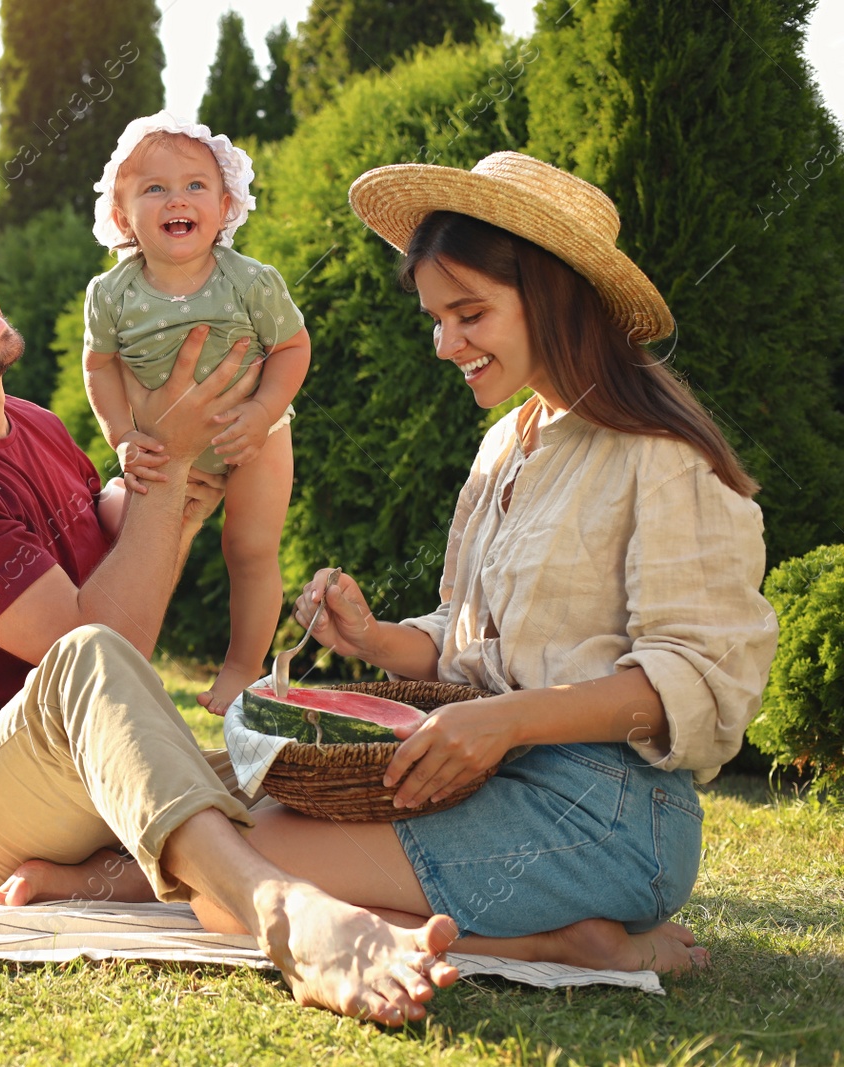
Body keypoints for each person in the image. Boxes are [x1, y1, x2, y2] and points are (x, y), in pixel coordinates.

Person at [0, 219, 460, 1025]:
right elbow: (101, 640)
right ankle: (285, 918)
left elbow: (120, 545)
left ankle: (557, 937)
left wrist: (188, 460)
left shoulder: (38, 427)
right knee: (86, 656)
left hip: (91, 772)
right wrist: (169, 461)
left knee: (293, 772)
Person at [188, 151, 778, 969]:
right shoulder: (507, 443)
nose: (444, 343)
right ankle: (564, 945)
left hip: (609, 814)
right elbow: (465, 636)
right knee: (237, 853)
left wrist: (505, 722)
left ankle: (576, 940)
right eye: (437, 317)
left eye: (469, 313)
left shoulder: (665, 457)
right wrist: (375, 637)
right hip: (481, 777)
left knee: (239, 877)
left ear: (552, 297)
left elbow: (702, 686)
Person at [82, 113, 311, 717]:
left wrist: (262, 412)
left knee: (251, 548)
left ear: (225, 204)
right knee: (131, 533)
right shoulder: (111, 293)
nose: (176, 199)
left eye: (194, 186)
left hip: (253, 437)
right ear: (121, 216)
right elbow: (99, 366)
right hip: (163, 443)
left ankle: (242, 669)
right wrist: (122, 435)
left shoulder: (251, 282)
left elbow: (292, 348)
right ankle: (124, 670)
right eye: (154, 188)